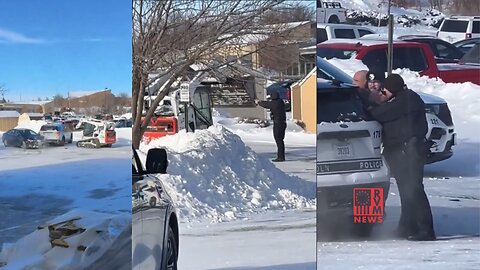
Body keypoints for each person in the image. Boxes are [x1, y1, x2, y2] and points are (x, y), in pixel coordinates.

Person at [369, 74, 436, 241]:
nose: (382, 93)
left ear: (393, 90)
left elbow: (380, 114)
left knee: (414, 189)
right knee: (406, 190)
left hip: (410, 150)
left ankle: (426, 230)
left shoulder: (406, 100)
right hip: (402, 150)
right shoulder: (402, 99)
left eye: (384, 90)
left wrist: (373, 103)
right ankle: (407, 226)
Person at [255, 91, 287, 162]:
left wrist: (259, 102)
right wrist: (260, 101)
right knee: (280, 140)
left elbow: (267, 104)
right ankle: (281, 156)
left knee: (278, 139)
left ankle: (281, 157)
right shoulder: (280, 102)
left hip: (278, 124)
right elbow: (269, 103)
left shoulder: (275, 103)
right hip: (282, 123)